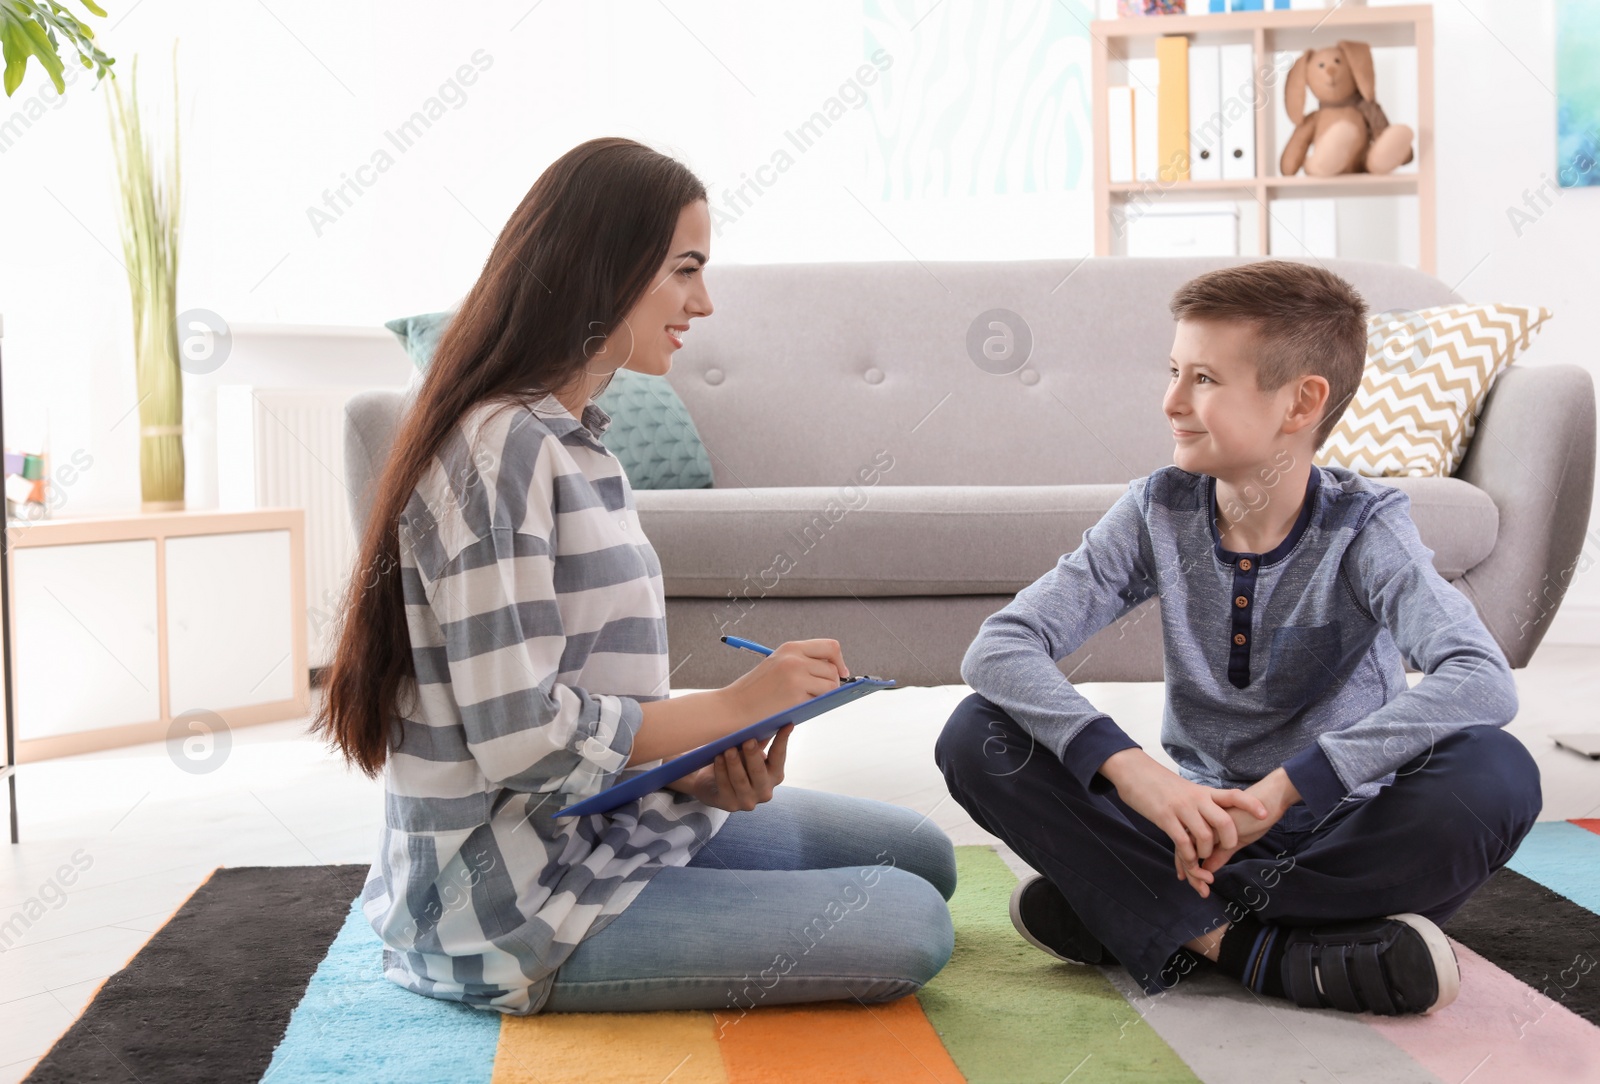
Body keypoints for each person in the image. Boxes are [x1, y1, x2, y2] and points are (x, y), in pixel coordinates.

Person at [315, 137, 955, 1016]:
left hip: (601, 828)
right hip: (504, 906)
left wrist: (692, 771)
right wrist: (735, 706)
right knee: (910, 920)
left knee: (925, 855)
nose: (704, 300)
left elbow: (579, 704)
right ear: (604, 268)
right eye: (685, 269)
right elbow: (519, 739)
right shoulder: (498, 451)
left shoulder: (577, 443)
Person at [935, 260, 1540, 1016]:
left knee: (1497, 773)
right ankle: (1265, 951)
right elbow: (998, 649)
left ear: (1301, 402)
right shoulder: (1158, 510)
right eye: (1173, 372)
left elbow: (1481, 680)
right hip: (1186, 825)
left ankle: (1139, 911)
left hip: (1339, 832)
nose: (1171, 402)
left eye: (1205, 380)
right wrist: (1137, 776)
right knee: (976, 733)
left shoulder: (1365, 524)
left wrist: (1289, 787)